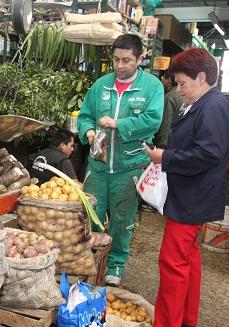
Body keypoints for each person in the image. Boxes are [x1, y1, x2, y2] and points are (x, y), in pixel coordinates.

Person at [133, 48, 229, 327]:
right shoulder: (205, 103)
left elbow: (209, 153)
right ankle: (186, 316)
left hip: (193, 195)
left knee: (173, 261)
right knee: (188, 257)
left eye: (182, 83)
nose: (179, 89)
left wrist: (165, 157)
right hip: (194, 192)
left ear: (201, 77)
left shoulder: (212, 107)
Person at [77, 34, 164, 287]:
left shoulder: (151, 87)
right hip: (98, 167)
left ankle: (115, 264)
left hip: (129, 167)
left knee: (122, 220)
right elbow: (84, 117)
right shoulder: (101, 85)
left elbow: (152, 120)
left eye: (126, 60)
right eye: (116, 59)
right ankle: (86, 261)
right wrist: (90, 133)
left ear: (140, 58)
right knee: (89, 217)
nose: (120, 66)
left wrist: (118, 124)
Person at [154, 70, 184, 148]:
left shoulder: (169, 97)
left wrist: (161, 144)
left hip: (169, 142)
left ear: (169, 80)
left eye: (163, 78)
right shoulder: (184, 93)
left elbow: (166, 123)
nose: (162, 81)